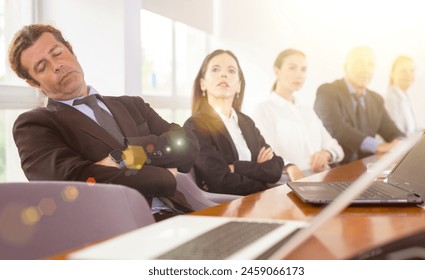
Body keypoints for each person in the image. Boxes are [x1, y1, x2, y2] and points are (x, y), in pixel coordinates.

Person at [8, 24, 199, 221]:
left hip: (180, 214)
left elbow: (188, 144)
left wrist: (125, 156)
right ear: (34, 83)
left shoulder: (133, 105)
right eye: (42, 67)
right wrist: (164, 175)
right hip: (114, 229)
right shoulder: (34, 125)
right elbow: (73, 187)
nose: (56, 65)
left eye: (57, 53)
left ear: (71, 51)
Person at [184, 49, 284, 195]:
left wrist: (237, 167)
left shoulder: (246, 122)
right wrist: (259, 174)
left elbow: (275, 167)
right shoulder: (195, 126)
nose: (223, 74)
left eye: (231, 71)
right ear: (203, 84)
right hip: (226, 206)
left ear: (238, 86)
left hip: (258, 201)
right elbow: (221, 182)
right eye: (215, 69)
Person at [252, 49, 344, 180]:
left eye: (303, 69)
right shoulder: (263, 110)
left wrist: (326, 153)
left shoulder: (307, 110)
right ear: (277, 71)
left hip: (322, 178)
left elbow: (336, 148)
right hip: (289, 181)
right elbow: (266, 154)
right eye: (292, 68)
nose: (299, 75)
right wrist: (289, 166)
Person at [314, 46, 405, 164]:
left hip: (367, 168)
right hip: (335, 167)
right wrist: (378, 146)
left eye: (370, 65)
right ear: (346, 66)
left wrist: (401, 144)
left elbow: (393, 132)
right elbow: (338, 129)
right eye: (359, 63)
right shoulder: (327, 91)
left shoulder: (376, 99)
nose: (365, 70)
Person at [384, 55, 417, 135]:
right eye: (403, 71)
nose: (408, 74)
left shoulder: (405, 97)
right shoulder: (390, 98)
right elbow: (396, 133)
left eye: (411, 71)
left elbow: (410, 130)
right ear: (392, 74)